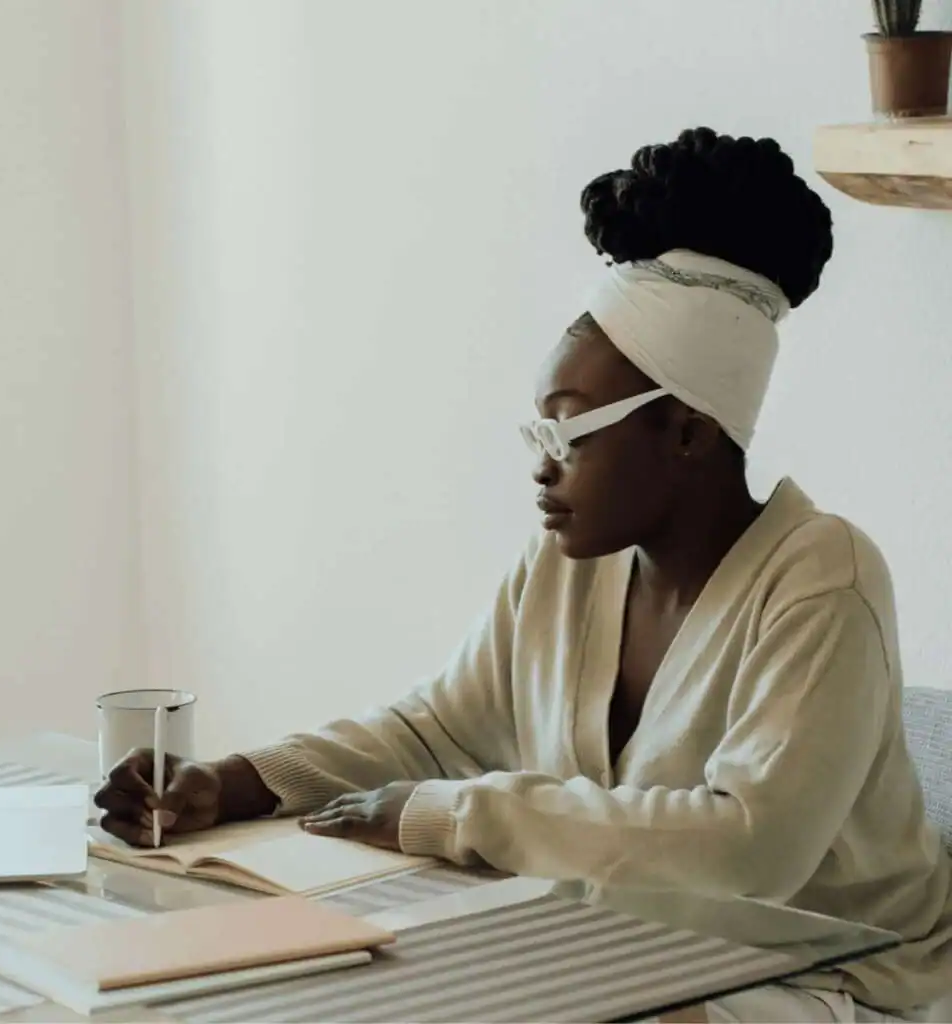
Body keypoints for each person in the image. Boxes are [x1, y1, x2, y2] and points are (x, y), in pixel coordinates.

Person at [96, 127, 952, 1022]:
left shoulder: (823, 578)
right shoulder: (568, 568)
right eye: (538, 432)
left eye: (569, 431)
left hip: (838, 980)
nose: (543, 467)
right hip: (644, 953)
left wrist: (456, 814)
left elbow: (749, 850)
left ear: (688, 433)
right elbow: (430, 734)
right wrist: (230, 784)